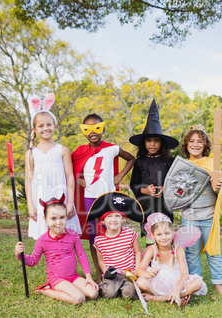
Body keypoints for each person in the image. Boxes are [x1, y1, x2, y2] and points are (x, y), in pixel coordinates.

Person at [72, 114, 135, 282]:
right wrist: (79, 180)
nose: (93, 132)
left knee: (112, 232)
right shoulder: (80, 151)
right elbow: (70, 169)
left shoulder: (112, 148)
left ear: (103, 129)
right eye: (88, 129)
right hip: (90, 199)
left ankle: (116, 267)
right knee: (94, 236)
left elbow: (131, 158)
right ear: (84, 132)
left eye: (97, 128)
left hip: (108, 199)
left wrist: (120, 175)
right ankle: (99, 274)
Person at [14, 194, 98, 305]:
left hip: (73, 276)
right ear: (45, 219)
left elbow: (81, 255)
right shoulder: (43, 240)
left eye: (62, 217)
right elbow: (33, 261)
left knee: (93, 294)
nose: (58, 222)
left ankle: (71, 287)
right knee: (79, 298)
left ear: (66, 216)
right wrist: (20, 254)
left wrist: (88, 276)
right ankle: (47, 290)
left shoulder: (73, 235)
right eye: (53, 218)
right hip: (57, 279)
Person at [180, 124, 222, 296]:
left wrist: (217, 187)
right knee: (191, 251)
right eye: (191, 141)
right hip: (189, 215)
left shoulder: (212, 163)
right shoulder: (182, 165)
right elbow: (178, 191)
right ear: (186, 145)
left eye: (200, 141)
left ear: (205, 145)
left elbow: (221, 190)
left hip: (208, 215)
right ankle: (196, 283)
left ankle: (217, 284)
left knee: (213, 249)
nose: (195, 144)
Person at [26, 93, 81, 240]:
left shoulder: (62, 150)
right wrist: (30, 206)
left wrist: (70, 203)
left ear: (55, 126)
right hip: (40, 199)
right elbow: (29, 180)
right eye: (41, 125)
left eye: (49, 124)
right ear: (35, 129)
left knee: (64, 237)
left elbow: (70, 177)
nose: (46, 128)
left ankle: (65, 263)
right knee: (45, 238)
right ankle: (50, 264)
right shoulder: (31, 153)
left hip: (61, 198)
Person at [129, 99, 179, 242]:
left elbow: (177, 182)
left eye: (156, 141)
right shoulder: (140, 162)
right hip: (146, 206)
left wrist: (167, 188)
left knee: (165, 239)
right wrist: (144, 190)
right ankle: (150, 262)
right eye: (149, 140)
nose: (152, 144)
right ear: (144, 143)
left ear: (161, 143)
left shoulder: (170, 161)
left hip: (164, 206)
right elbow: (134, 183)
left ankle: (166, 262)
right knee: (150, 239)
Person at [136, 213, 207, 305]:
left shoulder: (178, 249)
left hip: (177, 282)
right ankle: (169, 297)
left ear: (172, 232)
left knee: (197, 283)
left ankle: (168, 296)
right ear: (153, 236)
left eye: (167, 233)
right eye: (159, 234)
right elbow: (139, 270)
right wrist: (149, 274)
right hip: (158, 282)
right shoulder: (151, 250)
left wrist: (177, 290)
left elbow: (184, 274)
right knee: (141, 282)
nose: (164, 238)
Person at [86, 191, 144, 300]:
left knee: (129, 294)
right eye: (109, 216)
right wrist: (105, 271)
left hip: (128, 273)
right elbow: (101, 261)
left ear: (124, 219)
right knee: (109, 294)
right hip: (111, 275)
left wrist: (137, 269)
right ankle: (111, 287)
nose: (114, 220)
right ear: (102, 220)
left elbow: (138, 252)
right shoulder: (99, 240)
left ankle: (127, 288)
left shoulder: (130, 234)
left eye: (118, 216)